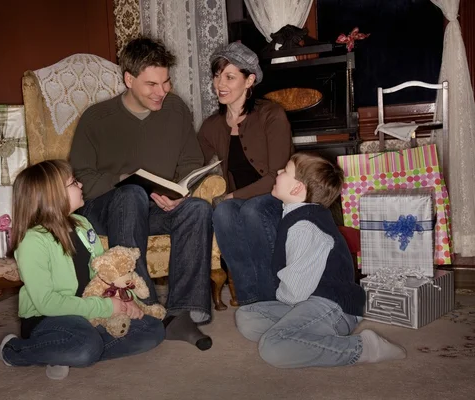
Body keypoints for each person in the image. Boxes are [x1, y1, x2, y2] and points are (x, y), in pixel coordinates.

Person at [69, 37, 214, 351]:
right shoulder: (96, 119)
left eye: (166, 82)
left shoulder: (176, 109)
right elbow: (81, 178)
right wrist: (122, 180)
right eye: (151, 84)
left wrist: (180, 192)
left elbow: (191, 160)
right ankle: (138, 301)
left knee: (198, 210)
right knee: (131, 193)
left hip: (155, 208)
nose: (161, 91)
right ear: (129, 80)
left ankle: (181, 313)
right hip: (104, 210)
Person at [235, 152, 407, 368]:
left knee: (272, 347)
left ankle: (363, 347)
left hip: (333, 305)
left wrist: (282, 296)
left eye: (285, 170)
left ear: (297, 188)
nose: (278, 172)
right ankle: (304, 334)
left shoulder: (305, 226)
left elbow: (295, 291)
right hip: (312, 300)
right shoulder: (298, 214)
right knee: (247, 317)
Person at [0, 160, 165, 380]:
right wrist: (106, 307)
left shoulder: (83, 224)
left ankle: (63, 353)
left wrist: (126, 300)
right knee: (87, 346)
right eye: (73, 182)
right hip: (48, 318)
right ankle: (15, 351)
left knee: (153, 329)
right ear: (53, 196)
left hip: (88, 313)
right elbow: (47, 302)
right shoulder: (33, 241)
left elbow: (104, 275)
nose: (81, 185)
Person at [198, 42, 293, 305]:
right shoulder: (211, 126)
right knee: (223, 212)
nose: (220, 83)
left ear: (249, 80)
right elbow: (195, 166)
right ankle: (250, 300)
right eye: (217, 76)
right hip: (238, 200)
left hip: (275, 196)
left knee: (251, 210)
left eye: (229, 76)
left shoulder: (271, 114)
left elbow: (276, 175)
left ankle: (275, 297)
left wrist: (234, 196)